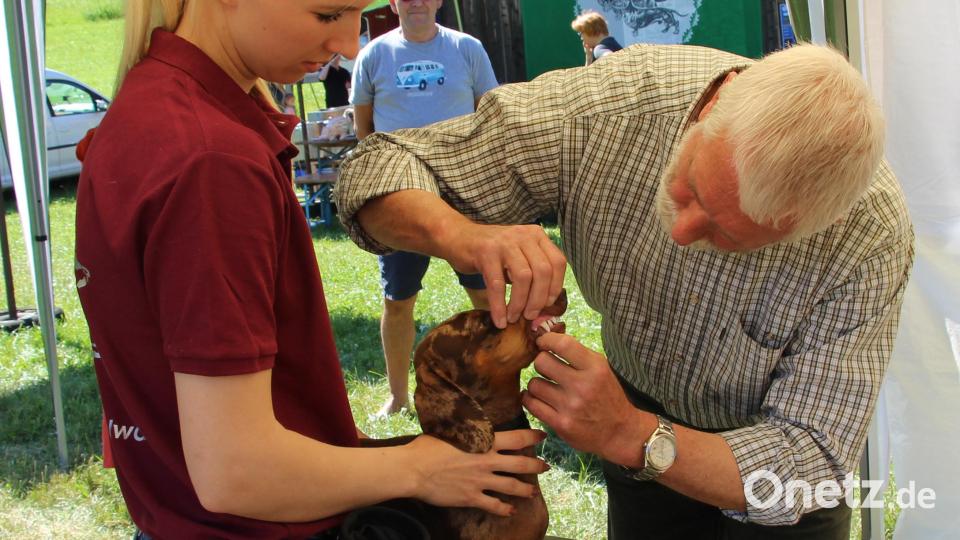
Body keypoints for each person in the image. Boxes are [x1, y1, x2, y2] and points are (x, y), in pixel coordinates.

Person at [335, 44, 914, 538]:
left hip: (775, 503)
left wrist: (630, 434)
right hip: (641, 452)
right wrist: (460, 235)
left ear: (810, 226)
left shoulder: (868, 236)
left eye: (727, 235)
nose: (681, 233)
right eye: (689, 187)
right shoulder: (610, 109)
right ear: (713, 105)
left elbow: (812, 464)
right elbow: (375, 169)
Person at [73, 1, 546, 538]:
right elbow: (237, 472)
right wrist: (422, 468)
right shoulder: (211, 160)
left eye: (359, 14)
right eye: (327, 14)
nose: (348, 45)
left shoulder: (149, 106)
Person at [350, 0, 499, 416]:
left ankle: (493, 389)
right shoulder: (374, 54)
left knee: (486, 297)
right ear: (394, 3)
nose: (416, 0)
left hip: (462, 191)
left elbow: (492, 112)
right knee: (398, 301)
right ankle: (398, 397)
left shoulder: (467, 48)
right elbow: (364, 128)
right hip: (400, 197)